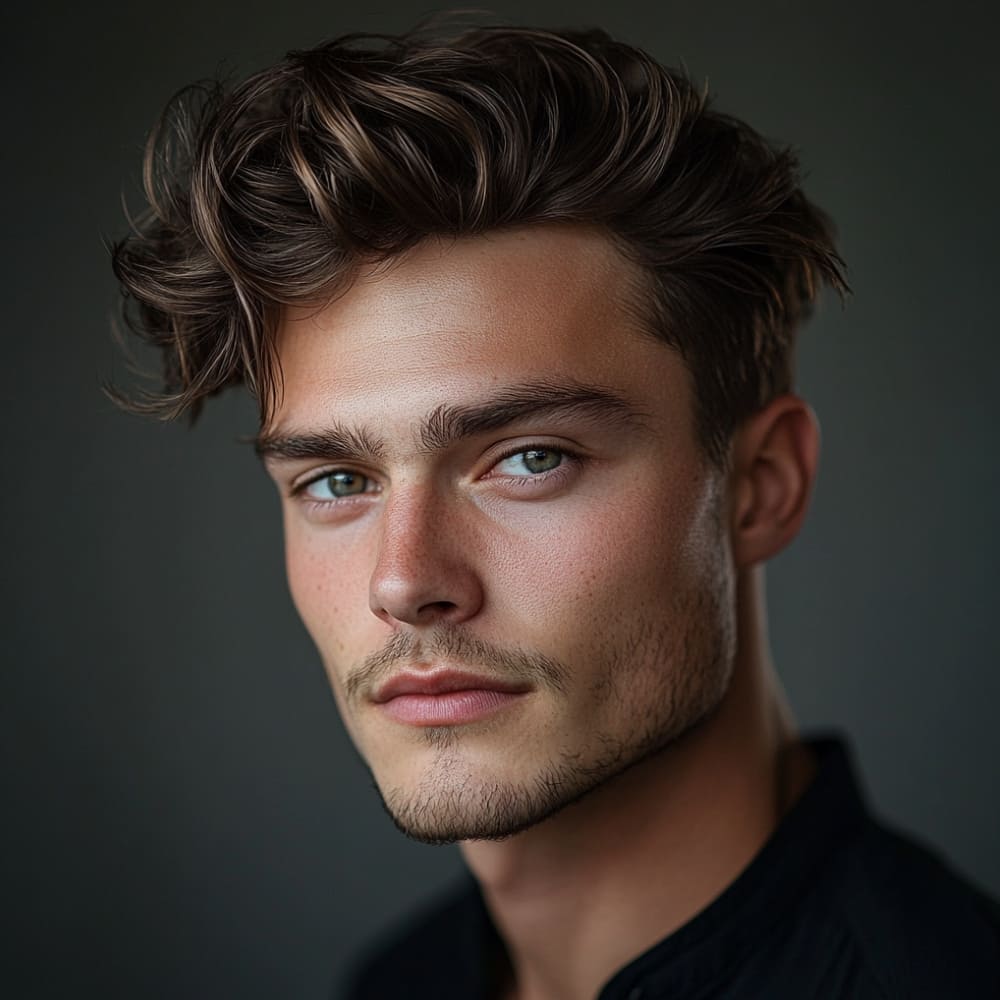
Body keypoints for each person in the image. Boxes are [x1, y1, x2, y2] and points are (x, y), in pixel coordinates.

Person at [110, 21, 1000, 1000]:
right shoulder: (394, 985)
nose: (404, 580)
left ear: (760, 487)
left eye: (529, 459)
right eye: (336, 480)